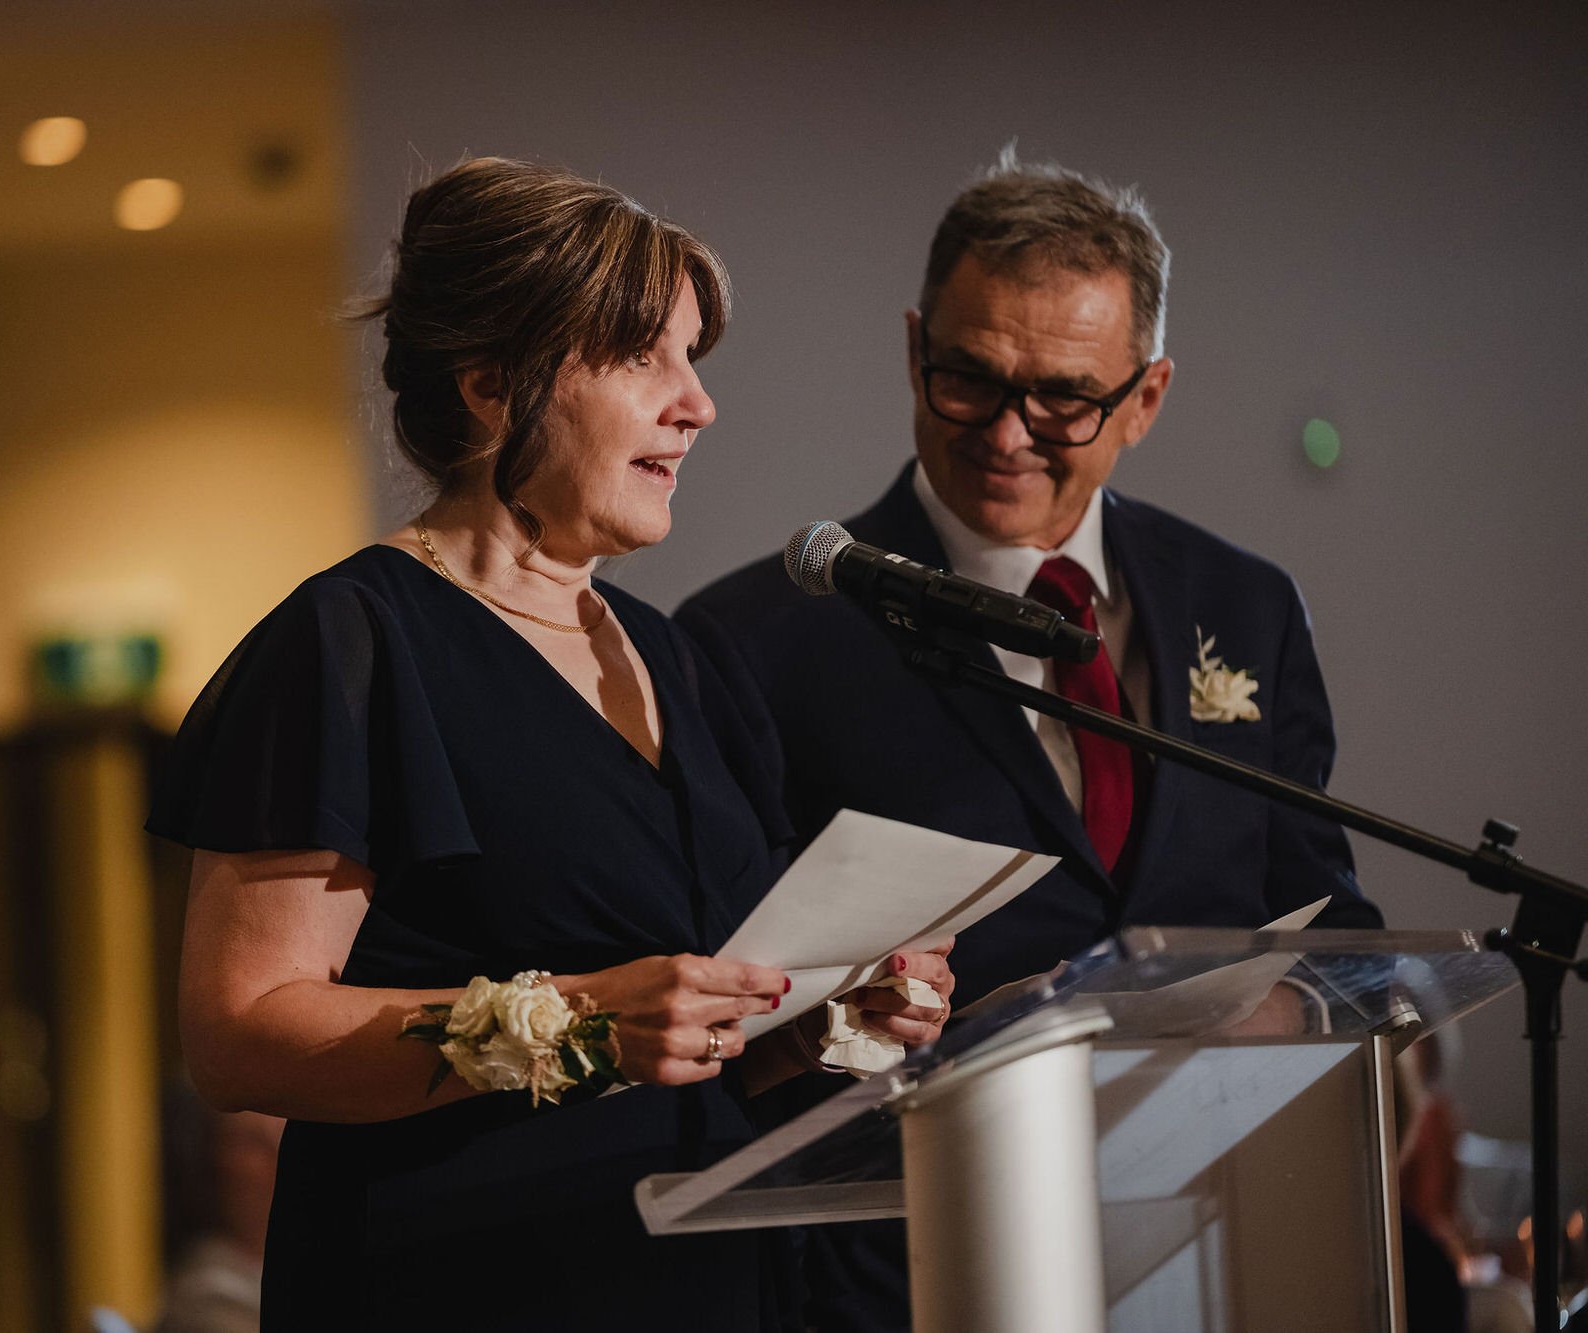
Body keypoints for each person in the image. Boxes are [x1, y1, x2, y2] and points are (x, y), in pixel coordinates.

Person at [148, 157, 952, 1332]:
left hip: (703, 1287)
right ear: (492, 385)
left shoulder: (678, 658)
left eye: (692, 357)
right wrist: (577, 1024)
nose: (696, 403)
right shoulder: (353, 645)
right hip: (461, 1286)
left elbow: (687, 1043)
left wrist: (820, 1023)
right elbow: (240, 1033)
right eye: (643, 358)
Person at [676, 150, 1383, 1331]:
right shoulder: (757, 639)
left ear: (1144, 398)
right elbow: (727, 1020)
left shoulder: (1243, 603)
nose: (1006, 434)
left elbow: (1328, 916)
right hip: (905, 1267)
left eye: (1061, 397)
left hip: (1205, 1246)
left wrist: (1276, 1011)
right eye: (967, 378)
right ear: (915, 349)